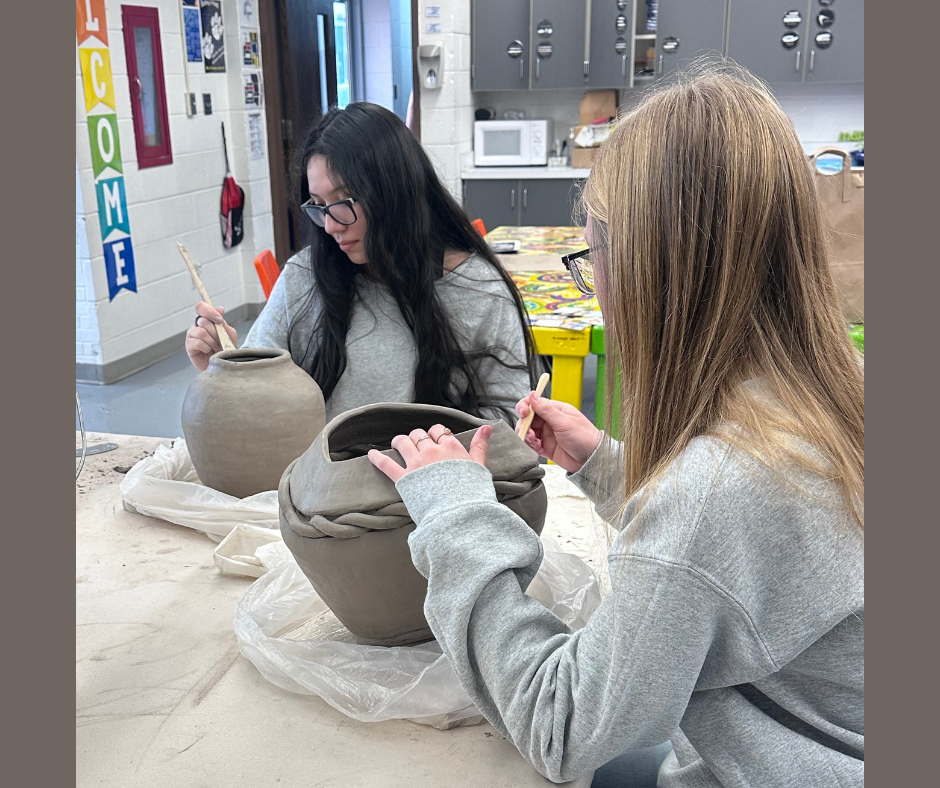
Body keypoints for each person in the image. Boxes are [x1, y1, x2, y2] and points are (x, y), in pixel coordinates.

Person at [368, 67, 864, 787]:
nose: (593, 283)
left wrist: (452, 519)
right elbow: (752, 557)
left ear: (650, 268)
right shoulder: (835, 393)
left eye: (591, 257)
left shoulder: (714, 493)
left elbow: (562, 725)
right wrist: (606, 464)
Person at [185, 102, 538, 424]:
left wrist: (433, 453)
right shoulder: (304, 278)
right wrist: (224, 370)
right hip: (319, 486)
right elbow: (256, 402)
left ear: (394, 193)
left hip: (430, 486)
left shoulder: (478, 289)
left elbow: (512, 418)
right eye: (319, 205)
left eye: (343, 202)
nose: (332, 225)